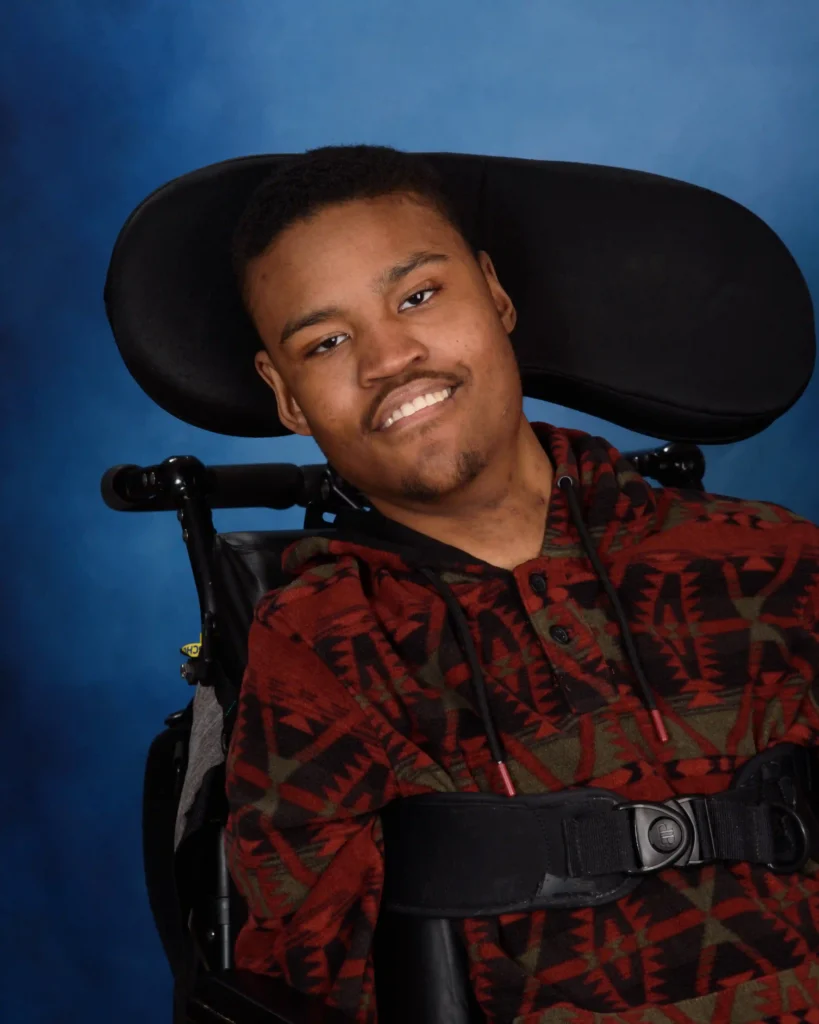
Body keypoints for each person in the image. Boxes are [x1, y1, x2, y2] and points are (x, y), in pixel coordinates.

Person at [224, 144, 819, 1023]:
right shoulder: (322, 644)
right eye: (328, 341)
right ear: (286, 397)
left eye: (418, 296)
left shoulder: (773, 559)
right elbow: (308, 975)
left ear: (495, 295)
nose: (389, 358)